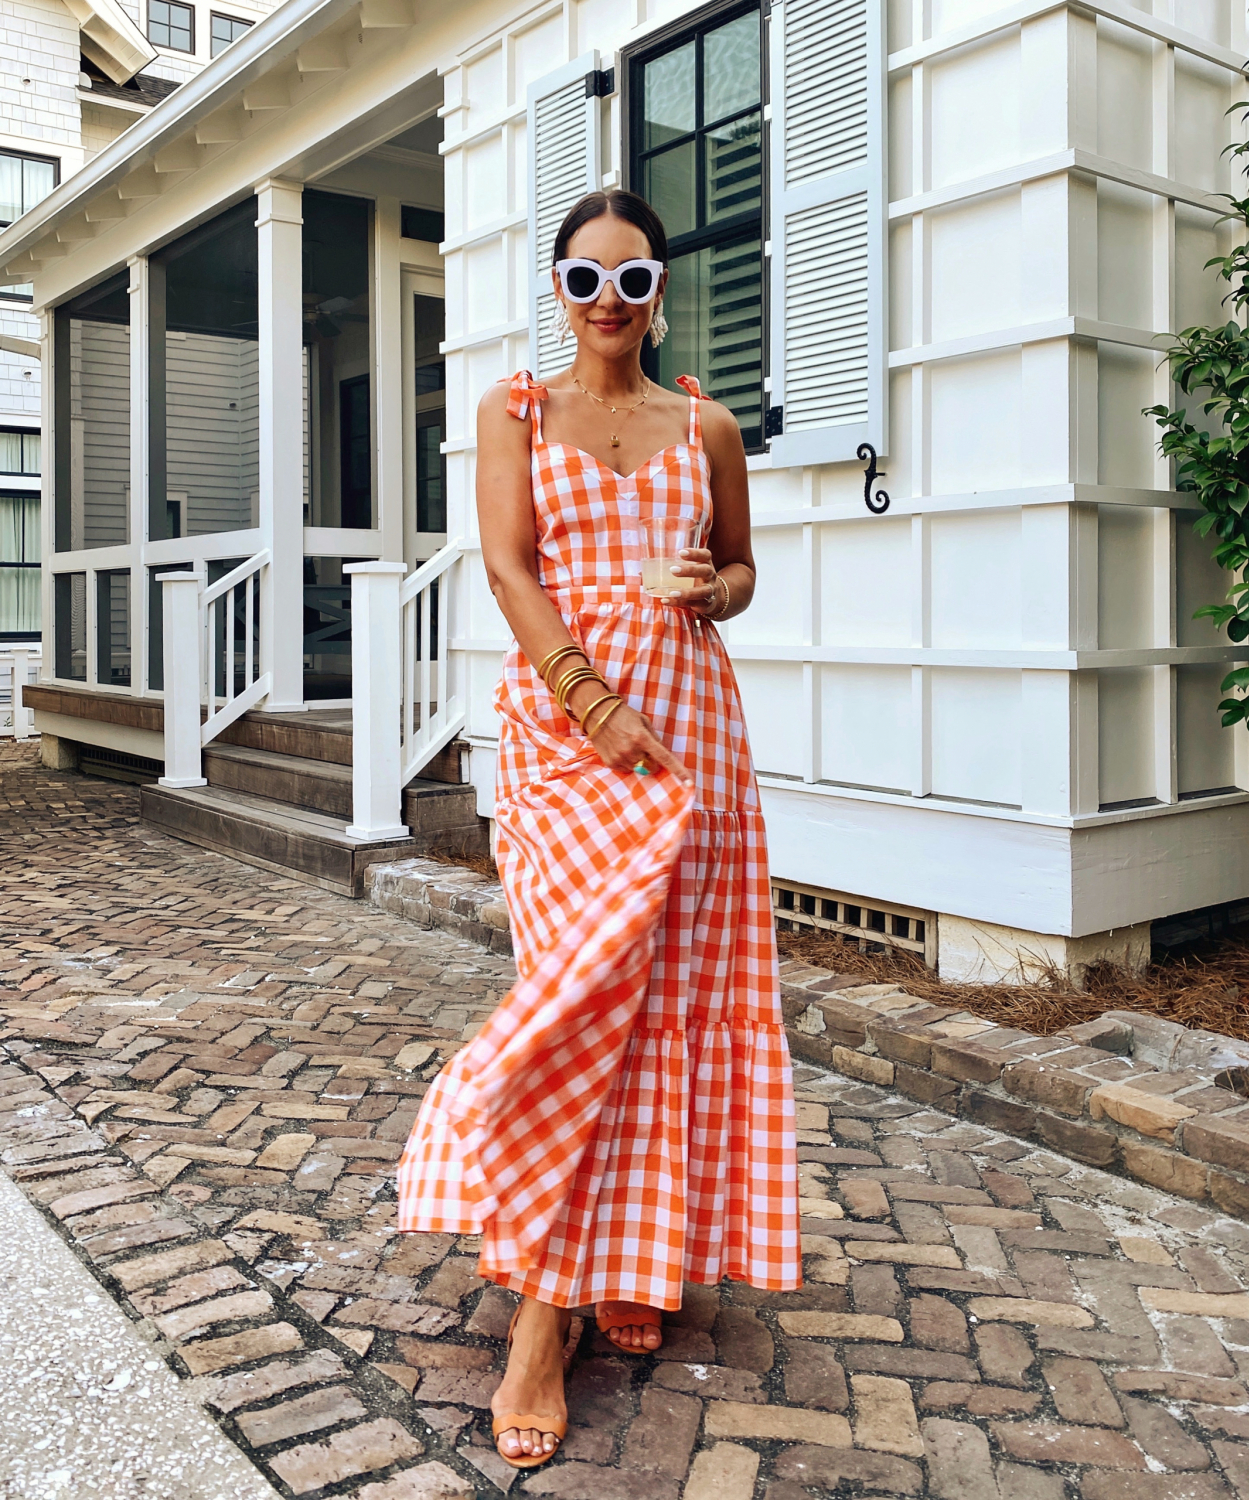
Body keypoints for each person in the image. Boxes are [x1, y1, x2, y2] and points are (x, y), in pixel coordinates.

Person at [396, 187, 800, 1470]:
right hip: (572, 745)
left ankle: (629, 1259)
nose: (610, 305)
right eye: (586, 281)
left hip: (694, 743)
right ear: (557, 291)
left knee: (665, 1000)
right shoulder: (517, 412)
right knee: (578, 994)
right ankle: (535, 1321)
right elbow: (511, 571)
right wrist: (589, 703)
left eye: (633, 281)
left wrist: (714, 587)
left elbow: (740, 568)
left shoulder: (709, 425)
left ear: (662, 290)